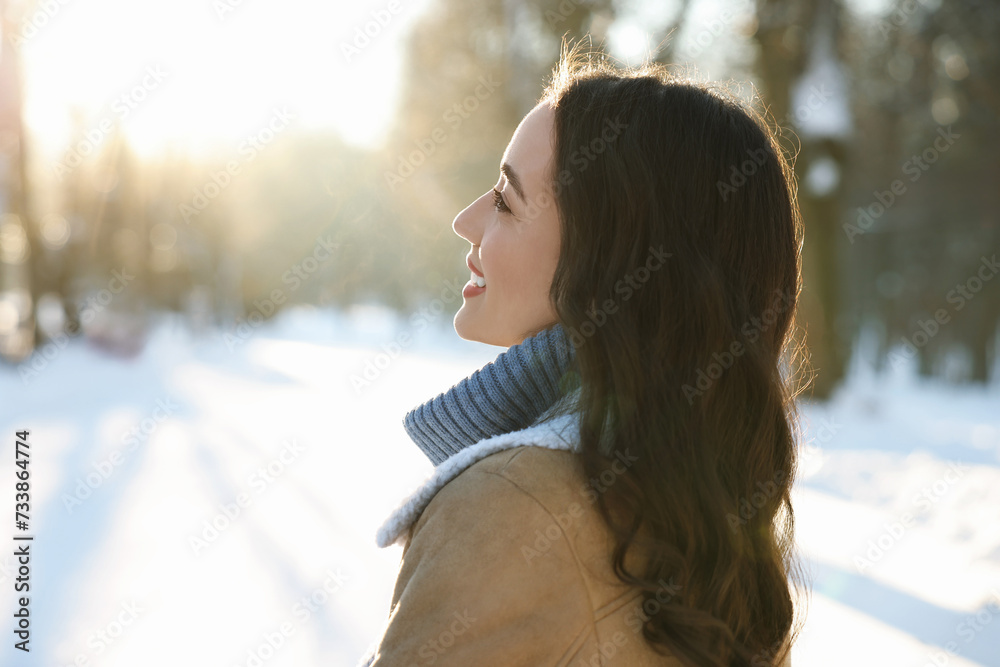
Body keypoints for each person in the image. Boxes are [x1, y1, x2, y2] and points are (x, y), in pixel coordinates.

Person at [361, 40, 808, 667]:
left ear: (611, 264)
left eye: (506, 202)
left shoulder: (511, 504)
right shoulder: (710, 509)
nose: (466, 221)